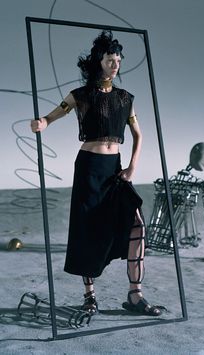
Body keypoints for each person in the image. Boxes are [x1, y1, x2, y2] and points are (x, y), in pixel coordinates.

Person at [31, 30, 163, 316]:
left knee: (137, 226)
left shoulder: (126, 98)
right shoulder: (81, 95)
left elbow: (138, 135)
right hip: (89, 169)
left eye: (118, 59)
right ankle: (90, 296)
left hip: (115, 171)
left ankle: (135, 296)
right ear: (98, 62)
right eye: (109, 59)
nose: (115, 64)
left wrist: (132, 167)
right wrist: (42, 122)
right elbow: (55, 114)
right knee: (88, 231)